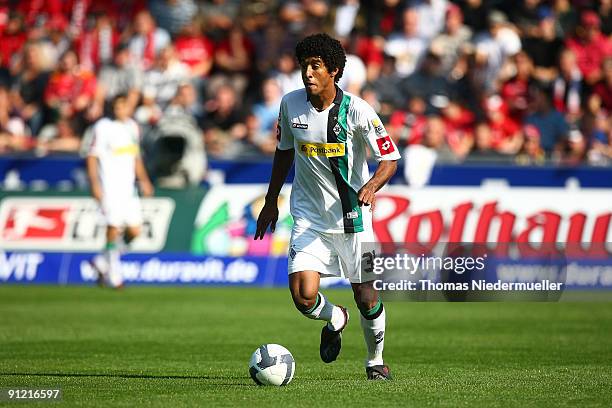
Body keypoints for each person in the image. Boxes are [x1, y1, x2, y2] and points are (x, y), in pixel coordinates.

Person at [254, 33, 399, 380]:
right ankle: (336, 318)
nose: (308, 73)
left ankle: (375, 360)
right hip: (309, 217)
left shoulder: (358, 110)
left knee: (366, 294)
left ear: (333, 71)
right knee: (304, 297)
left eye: (316, 66)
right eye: (305, 66)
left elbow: (390, 158)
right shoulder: (290, 104)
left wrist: (372, 185)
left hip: (355, 220)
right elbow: (284, 151)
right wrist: (272, 200)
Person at [86, 94, 154, 288]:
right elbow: (92, 156)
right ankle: (114, 275)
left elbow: (135, 157)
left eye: (123, 107)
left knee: (135, 231)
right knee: (113, 228)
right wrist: (95, 184)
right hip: (110, 186)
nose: (120, 111)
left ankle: (101, 261)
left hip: (129, 188)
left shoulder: (132, 127)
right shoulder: (103, 127)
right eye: (116, 107)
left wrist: (145, 181)